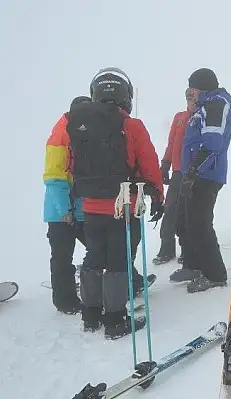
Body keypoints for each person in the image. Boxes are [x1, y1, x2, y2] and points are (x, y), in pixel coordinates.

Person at [67, 67, 164, 340]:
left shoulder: (80, 124)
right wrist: (158, 194)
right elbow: (148, 162)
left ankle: (90, 315)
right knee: (119, 260)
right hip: (124, 204)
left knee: (94, 255)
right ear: (126, 95)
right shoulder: (131, 126)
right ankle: (115, 320)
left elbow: (72, 164)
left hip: (91, 206)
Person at [168, 68, 231, 293]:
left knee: (199, 225)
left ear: (202, 87)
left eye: (191, 89)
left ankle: (215, 274)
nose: (189, 94)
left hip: (206, 175)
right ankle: (193, 265)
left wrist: (194, 170)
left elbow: (213, 143)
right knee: (184, 222)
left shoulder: (215, 105)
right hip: (196, 174)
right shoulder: (205, 106)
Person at [43, 95, 92, 315]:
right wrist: (65, 210)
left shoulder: (88, 131)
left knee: (100, 248)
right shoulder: (61, 134)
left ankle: (115, 285)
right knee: (62, 256)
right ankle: (65, 301)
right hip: (60, 212)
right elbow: (54, 177)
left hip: (83, 209)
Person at [153, 88, 196, 265]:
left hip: (194, 173)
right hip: (178, 171)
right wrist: (165, 164)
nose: (190, 100)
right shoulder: (180, 117)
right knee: (170, 209)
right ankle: (167, 248)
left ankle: (189, 249)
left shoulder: (202, 117)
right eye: (188, 97)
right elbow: (172, 143)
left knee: (189, 212)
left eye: (193, 97)